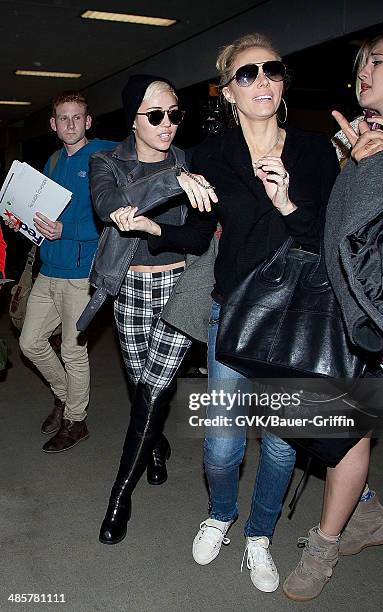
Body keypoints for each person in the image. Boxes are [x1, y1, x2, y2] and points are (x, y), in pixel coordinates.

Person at [115, 34, 341, 593]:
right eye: (247, 74)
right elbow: (197, 233)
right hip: (231, 313)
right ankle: (221, 514)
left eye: (272, 70)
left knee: (284, 442)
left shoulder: (312, 152)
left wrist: (287, 201)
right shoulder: (212, 157)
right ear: (229, 92)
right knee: (222, 444)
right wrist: (152, 228)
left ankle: (258, 536)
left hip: (293, 319)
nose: (262, 80)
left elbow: (327, 241)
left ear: (283, 83)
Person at [284, 26, 383, 601]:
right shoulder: (380, 142)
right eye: (361, 62)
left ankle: (346, 526)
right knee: (336, 424)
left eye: (377, 61)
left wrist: (381, 162)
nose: (363, 71)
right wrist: (362, 163)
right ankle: (344, 527)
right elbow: (342, 234)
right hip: (377, 322)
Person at [85, 75, 217, 546]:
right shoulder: (107, 162)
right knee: (145, 384)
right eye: (156, 115)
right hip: (131, 289)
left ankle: (120, 496)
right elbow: (109, 206)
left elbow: (201, 233)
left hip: (183, 287)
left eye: (175, 114)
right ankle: (154, 445)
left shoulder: (192, 161)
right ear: (133, 120)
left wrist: (185, 175)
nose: (168, 124)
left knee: (156, 385)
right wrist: (173, 179)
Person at [13, 91, 115, 453]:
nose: (70, 124)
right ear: (54, 125)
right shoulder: (53, 160)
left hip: (80, 273)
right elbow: (41, 209)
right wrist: (22, 220)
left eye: (77, 118)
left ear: (88, 122)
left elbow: (113, 219)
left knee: (73, 350)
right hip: (49, 267)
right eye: (63, 119)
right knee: (30, 342)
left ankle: (76, 420)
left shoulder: (106, 155)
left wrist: (67, 231)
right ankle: (64, 395)